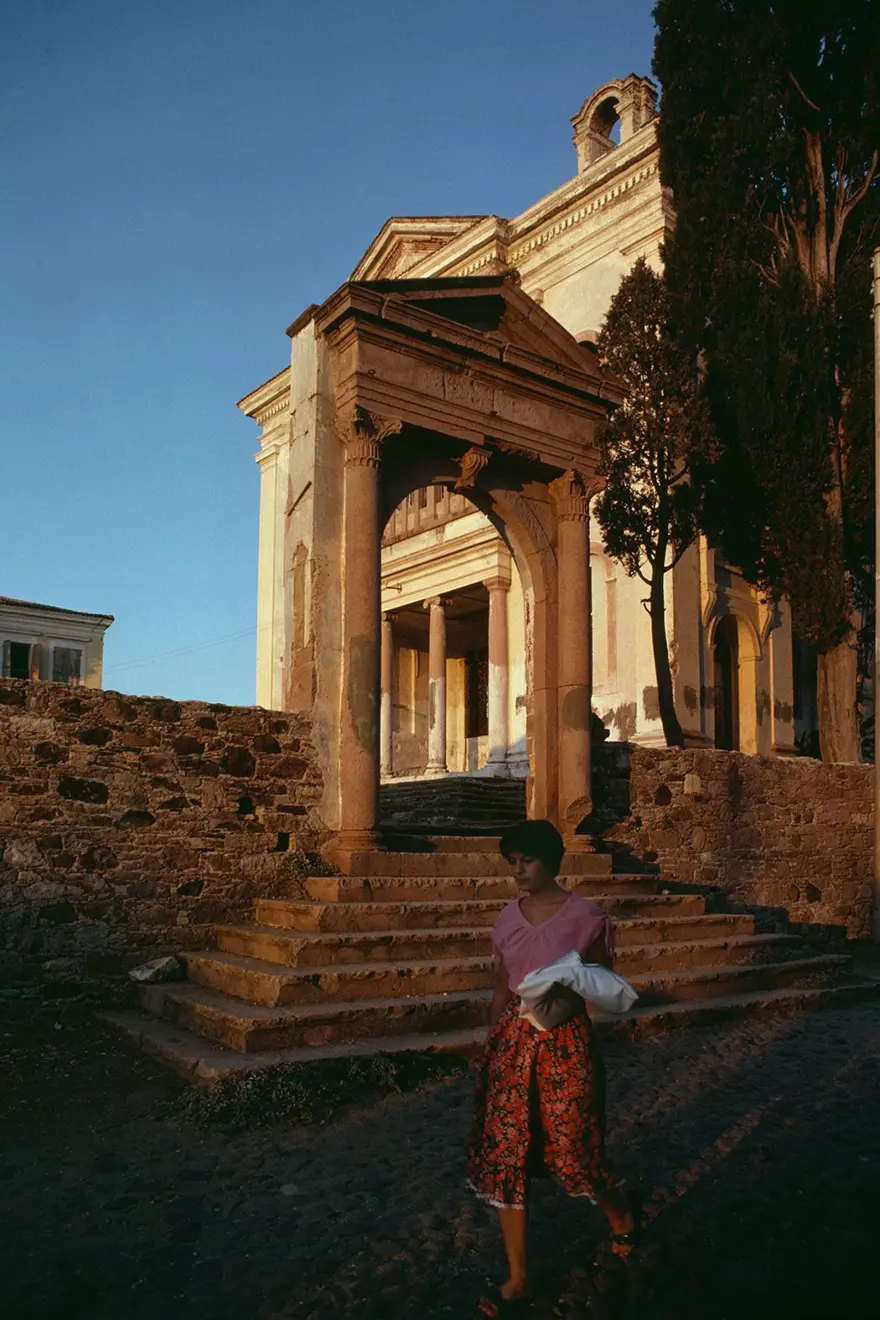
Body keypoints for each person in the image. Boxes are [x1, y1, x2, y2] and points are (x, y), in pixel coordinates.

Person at [466, 819, 638, 1317]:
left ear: (553, 862)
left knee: (574, 1149)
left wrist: (567, 991)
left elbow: (604, 977)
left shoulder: (585, 917)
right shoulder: (505, 919)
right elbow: (501, 987)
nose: (519, 870)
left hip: (567, 1046)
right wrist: (491, 1043)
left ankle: (622, 1214)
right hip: (513, 1048)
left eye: (528, 860)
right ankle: (518, 1279)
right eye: (512, 862)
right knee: (508, 1156)